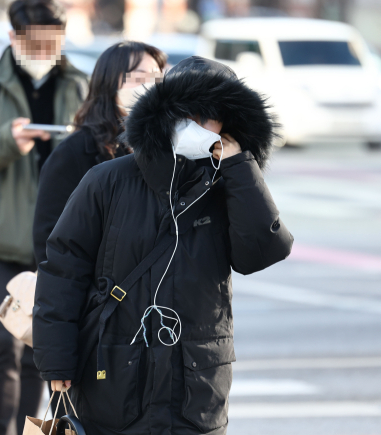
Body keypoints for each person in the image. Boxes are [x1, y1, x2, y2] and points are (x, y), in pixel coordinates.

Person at [32, 56, 294, 435]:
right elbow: (63, 269)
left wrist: (239, 166)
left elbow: (261, 253)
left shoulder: (231, 185)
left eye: (211, 116)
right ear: (165, 112)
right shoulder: (109, 180)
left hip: (195, 382)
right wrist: (56, 360)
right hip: (113, 375)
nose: (198, 126)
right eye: (188, 114)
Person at [0, 0, 88, 435]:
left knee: (42, 350)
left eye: (54, 42)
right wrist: (9, 141)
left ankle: (34, 431)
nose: (45, 53)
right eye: (35, 42)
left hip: (63, 243)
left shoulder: (81, 86)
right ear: (13, 37)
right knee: (2, 345)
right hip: (4, 241)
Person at [33, 41, 165, 267]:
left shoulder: (166, 146)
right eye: (139, 77)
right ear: (110, 82)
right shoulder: (74, 152)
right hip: (100, 293)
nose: (150, 86)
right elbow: (51, 241)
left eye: (157, 78)